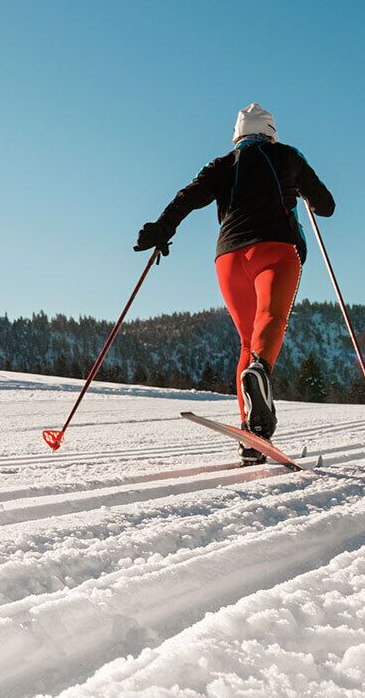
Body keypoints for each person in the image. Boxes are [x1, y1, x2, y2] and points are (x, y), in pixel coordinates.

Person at [135, 104, 335, 463]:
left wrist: (162, 228)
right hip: (275, 248)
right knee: (270, 319)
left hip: (228, 258)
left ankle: (250, 433)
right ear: (271, 132)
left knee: (245, 340)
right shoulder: (288, 155)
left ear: (236, 136)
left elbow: (186, 197)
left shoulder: (221, 164)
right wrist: (305, 192)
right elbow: (326, 206)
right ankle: (260, 373)